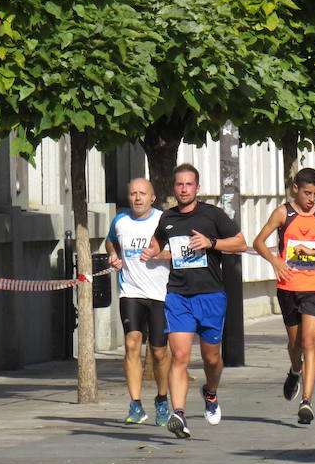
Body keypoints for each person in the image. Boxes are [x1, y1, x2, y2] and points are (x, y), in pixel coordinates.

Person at [141, 163, 247, 439]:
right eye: (179, 184)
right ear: (174, 187)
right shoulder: (167, 218)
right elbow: (157, 243)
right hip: (178, 295)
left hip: (211, 296)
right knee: (179, 356)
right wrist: (150, 251)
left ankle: (210, 393)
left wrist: (211, 243)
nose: (184, 189)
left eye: (189, 184)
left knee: (212, 358)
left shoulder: (213, 215)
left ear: (197, 188)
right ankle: (179, 414)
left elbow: (240, 243)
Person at [251, 168, 315, 424]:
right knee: (295, 345)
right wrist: (274, 261)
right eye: (307, 193)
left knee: (309, 342)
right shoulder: (284, 213)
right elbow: (258, 241)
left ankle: (306, 401)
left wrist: (314, 253)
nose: (311, 199)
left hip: (314, 288)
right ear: (296, 189)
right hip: (288, 287)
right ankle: (295, 370)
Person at [105, 178, 171, 427]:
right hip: (130, 291)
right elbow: (110, 239)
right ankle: (135, 405)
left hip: (160, 294)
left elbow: (178, 249)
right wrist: (113, 254)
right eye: (133, 193)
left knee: (158, 351)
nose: (137, 198)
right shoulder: (120, 221)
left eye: (143, 193)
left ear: (152, 198)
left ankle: (162, 400)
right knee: (132, 343)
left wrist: (160, 254)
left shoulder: (163, 221)